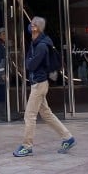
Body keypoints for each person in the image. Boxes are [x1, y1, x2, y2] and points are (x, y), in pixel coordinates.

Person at [13, 16, 75, 157]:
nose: (31, 26)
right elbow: (28, 62)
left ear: (39, 28)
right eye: (31, 24)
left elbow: (30, 65)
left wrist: (29, 62)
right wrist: (29, 62)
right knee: (47, 114)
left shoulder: (41, 46)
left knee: (29, 115)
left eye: (34, 25)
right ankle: (68, 137)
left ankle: (27, 146)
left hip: (39, 84)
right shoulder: (35, 43)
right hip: (38, 83)